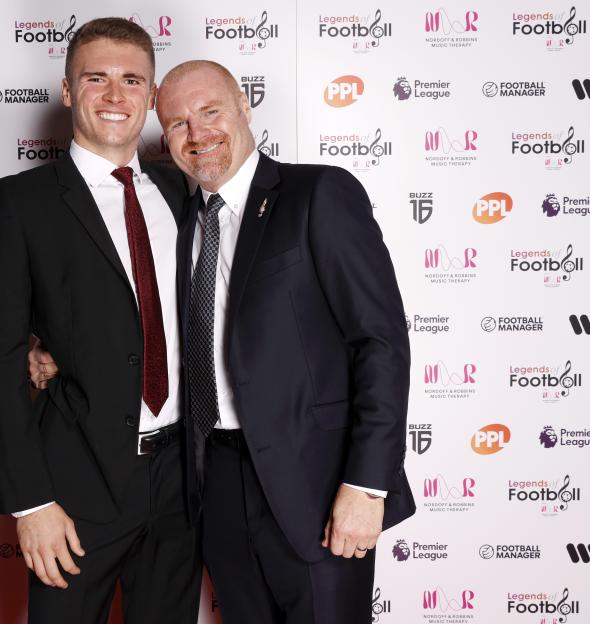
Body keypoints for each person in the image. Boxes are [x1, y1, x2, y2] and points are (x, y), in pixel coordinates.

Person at [157, 60, 415, 623]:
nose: (197, 133)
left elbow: (380, 342)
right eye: (177, 123)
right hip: (217, 484)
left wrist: (367, 485)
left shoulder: (318, 192)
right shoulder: (177, 221)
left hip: (317, 486)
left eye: (210, 111)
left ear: (244, 107)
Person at [0, 18, 200, 624]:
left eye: (132, 81)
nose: (115, 95)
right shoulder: (17, 204)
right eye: (96, 78)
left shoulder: (186, 191)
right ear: (69, 90)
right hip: (74, 486)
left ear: (153, 96)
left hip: (182, 482)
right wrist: (30, 503)